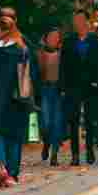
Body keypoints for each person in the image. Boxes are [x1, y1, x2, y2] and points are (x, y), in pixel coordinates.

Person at [0, 11, 38, 187]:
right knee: (14, 137)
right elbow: (30, 75)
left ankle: (1, 167)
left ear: (1, 31)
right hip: (18, 98)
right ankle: (13, 172)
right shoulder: (23, 49)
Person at [60, 12, 98, 165]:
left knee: (90, 120)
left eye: (80, 20)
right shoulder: (69, 42)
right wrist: (63, 86)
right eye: (75, 20)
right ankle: (75, 154)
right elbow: (63, 66)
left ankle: (89, 150)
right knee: (74, 119)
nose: (77, 23)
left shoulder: (96, 41)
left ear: (86, 22)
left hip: (92, 86)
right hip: (73, 85)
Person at [37, 28, 63, 166]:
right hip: (45, 90)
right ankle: (46, 143)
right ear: (45, 38)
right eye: (51, 36)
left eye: (56, 37)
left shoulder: (63, 54)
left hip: (58, 91)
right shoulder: (40, 54)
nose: (54, 39)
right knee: (46, 123)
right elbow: (35, 74)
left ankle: (54, 154)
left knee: (57, 124)